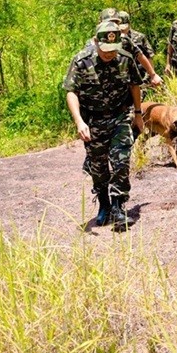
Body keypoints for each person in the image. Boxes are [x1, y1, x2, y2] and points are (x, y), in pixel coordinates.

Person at [64, 20, 145, 228]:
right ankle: (104, 205)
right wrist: (79, 121)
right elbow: (71, 91)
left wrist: (138, 113)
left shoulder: (125, 59)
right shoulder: (81, 61)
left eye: (113, 49)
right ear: (95, 42)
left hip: (120, 117)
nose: (110, 54)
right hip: (93, 121)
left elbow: (134, 84)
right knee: (98, 167)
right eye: (105, 50)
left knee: (121, 161)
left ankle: (118, 208)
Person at [87, 8, 162, 87]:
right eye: (108, 22)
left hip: (122, 85)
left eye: (115, 22)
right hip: (100, 86)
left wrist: (153, 75)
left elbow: (139, 55)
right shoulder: (92, 42)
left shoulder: (124, 39)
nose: (111, 25)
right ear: (100, 23)